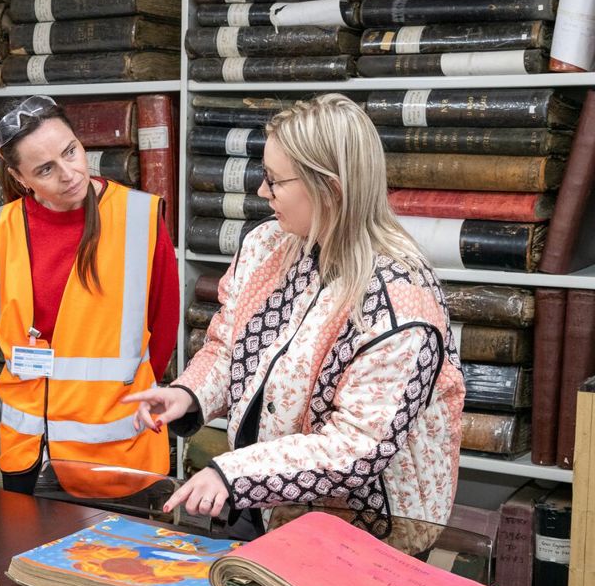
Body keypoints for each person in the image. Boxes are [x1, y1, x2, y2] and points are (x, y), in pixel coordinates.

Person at [123, 94, 465, 537]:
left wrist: (234, 474)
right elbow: (229, 346)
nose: (263, 192)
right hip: (269, 506)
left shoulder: (399, 302)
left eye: (274, 180)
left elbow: (355, 450)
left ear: (330, 188)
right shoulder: (269, 245)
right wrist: (189, 394)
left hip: (365, 533)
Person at [0, 95, 180, 494]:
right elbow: (10, 334)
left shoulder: (138, 217)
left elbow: (162, 328)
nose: (69, 174)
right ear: (19, 178)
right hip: (28, 450)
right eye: (45, 169)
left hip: (118, 449)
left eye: (72, 151)